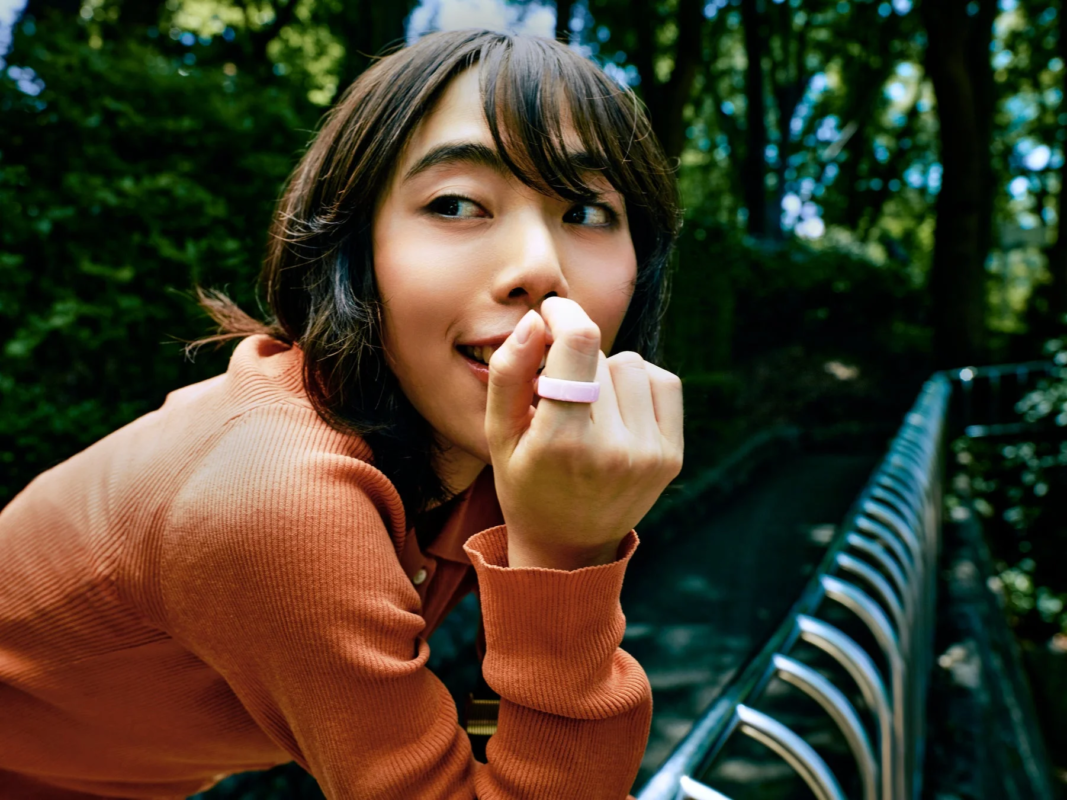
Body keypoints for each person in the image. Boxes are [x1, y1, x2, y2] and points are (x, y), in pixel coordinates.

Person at [0, 28, 683, 799]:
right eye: (455, 204)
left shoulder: (481, 455)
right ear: (352, 252)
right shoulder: (279, 499)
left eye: (587, 211)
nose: (539, 268)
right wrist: (566, 561)